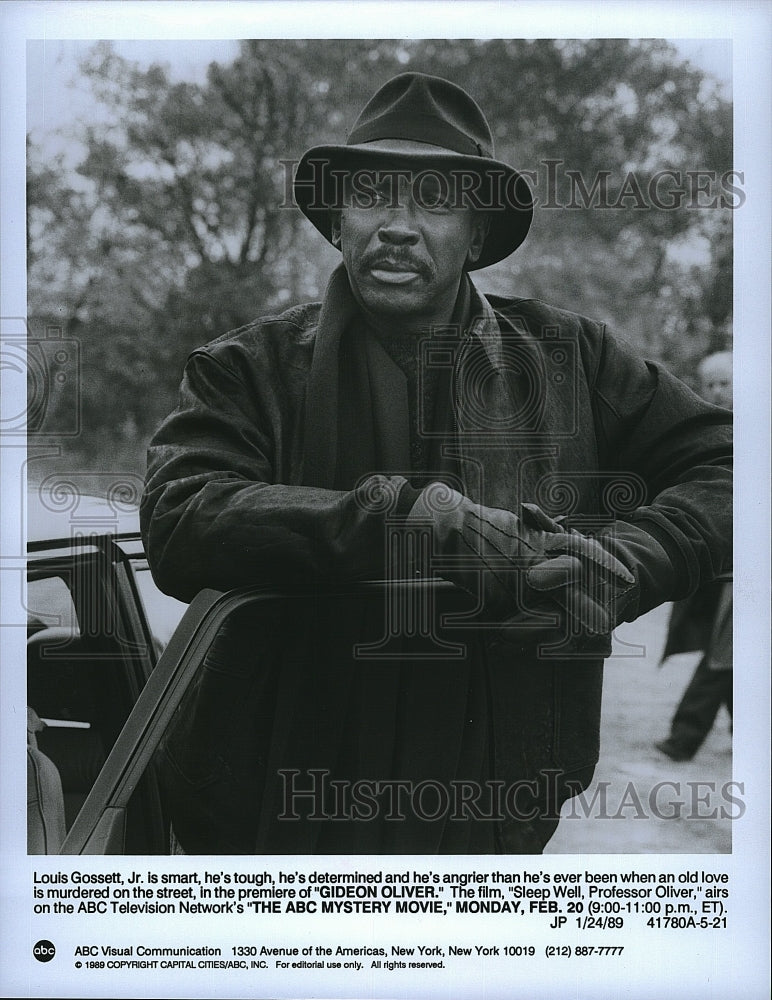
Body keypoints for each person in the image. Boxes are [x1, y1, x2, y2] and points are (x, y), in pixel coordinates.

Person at [140, 73, 732, 854]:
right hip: (273, 805)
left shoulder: (574, 359)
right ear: (336, 224)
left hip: (490, 808)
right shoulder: (247, 368)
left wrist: (628, 561)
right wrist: (407, 518)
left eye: (435, 200)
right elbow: (181, 516)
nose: (397, 226)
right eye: (373, 196)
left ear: (478, 236)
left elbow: (734, 468)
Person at [656, 351, 733, 761]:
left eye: (726, 383)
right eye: (711, 384)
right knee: (731, 646)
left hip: (747, 567)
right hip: (716, 558)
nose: (718, 391)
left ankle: (684, 738)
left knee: (727, 648)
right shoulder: (706, 429)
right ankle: (746, 725)